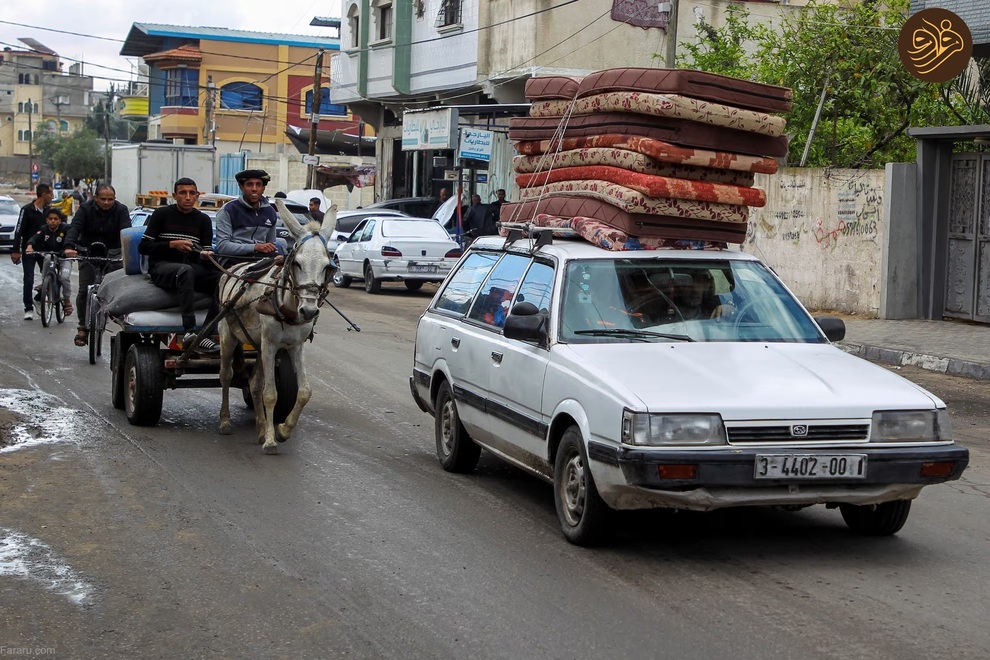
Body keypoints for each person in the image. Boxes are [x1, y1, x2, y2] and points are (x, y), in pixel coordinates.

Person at [139, 178, 222, 354]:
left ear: (197, 196)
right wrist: (171, 244)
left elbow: (205, 250)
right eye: (183, 193)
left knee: (223, 280)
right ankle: (189, 331)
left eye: (192, 193)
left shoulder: (203, 220)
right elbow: (144, 247)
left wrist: (206, 255)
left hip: (191, 266)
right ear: (175, 196)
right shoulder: (161, 214)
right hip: (162, 266)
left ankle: (206, 333)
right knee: (186, 271)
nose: (188, 197)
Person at [63, 183, 130, 347]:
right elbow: (75, 228)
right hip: (87, 253)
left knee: (119, 289)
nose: (107, 203)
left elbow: (127, 231)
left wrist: (130, 249)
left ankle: (119, 319)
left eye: (110, 199)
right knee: (84, 290)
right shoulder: (85, 209)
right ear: (95, 198)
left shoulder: (121, 210)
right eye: (103, 199)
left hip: (112, 254)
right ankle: (82, 326)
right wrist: (69, 246)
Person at [215, 169, 279, 266]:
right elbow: (222, 246)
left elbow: (271, 243)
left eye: (258, 184)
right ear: (241, 187)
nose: (254, 189)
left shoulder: (270, 212)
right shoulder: (228, 210)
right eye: (249, 184)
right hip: (233, 260)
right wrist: (255, 247)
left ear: (263, 188)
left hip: (261, 259)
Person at [11, 183, 54, 320]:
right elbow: (19, 231)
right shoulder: (27, 210)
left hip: (45, 250)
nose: (52, 197)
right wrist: (15, 250)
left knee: (50, 277)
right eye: (50, 194)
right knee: (28, 279)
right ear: (43, 194)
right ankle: (28, 308)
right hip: (29, 250)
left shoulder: (49, 211)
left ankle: (38, 298)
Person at [24, 208, 73, 316]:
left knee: (64, 277)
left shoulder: (66, 229)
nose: (53, 221)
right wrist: (30, 246)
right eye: (50, 219)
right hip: (50, 256)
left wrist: (70, 250)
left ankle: (67, 300)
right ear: (46, 220)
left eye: (56, 219)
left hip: (64, 258)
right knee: (46, 258)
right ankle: (44, 282)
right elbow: (35, 238)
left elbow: (72, 239)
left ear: (60, 220)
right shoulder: (44, 229)